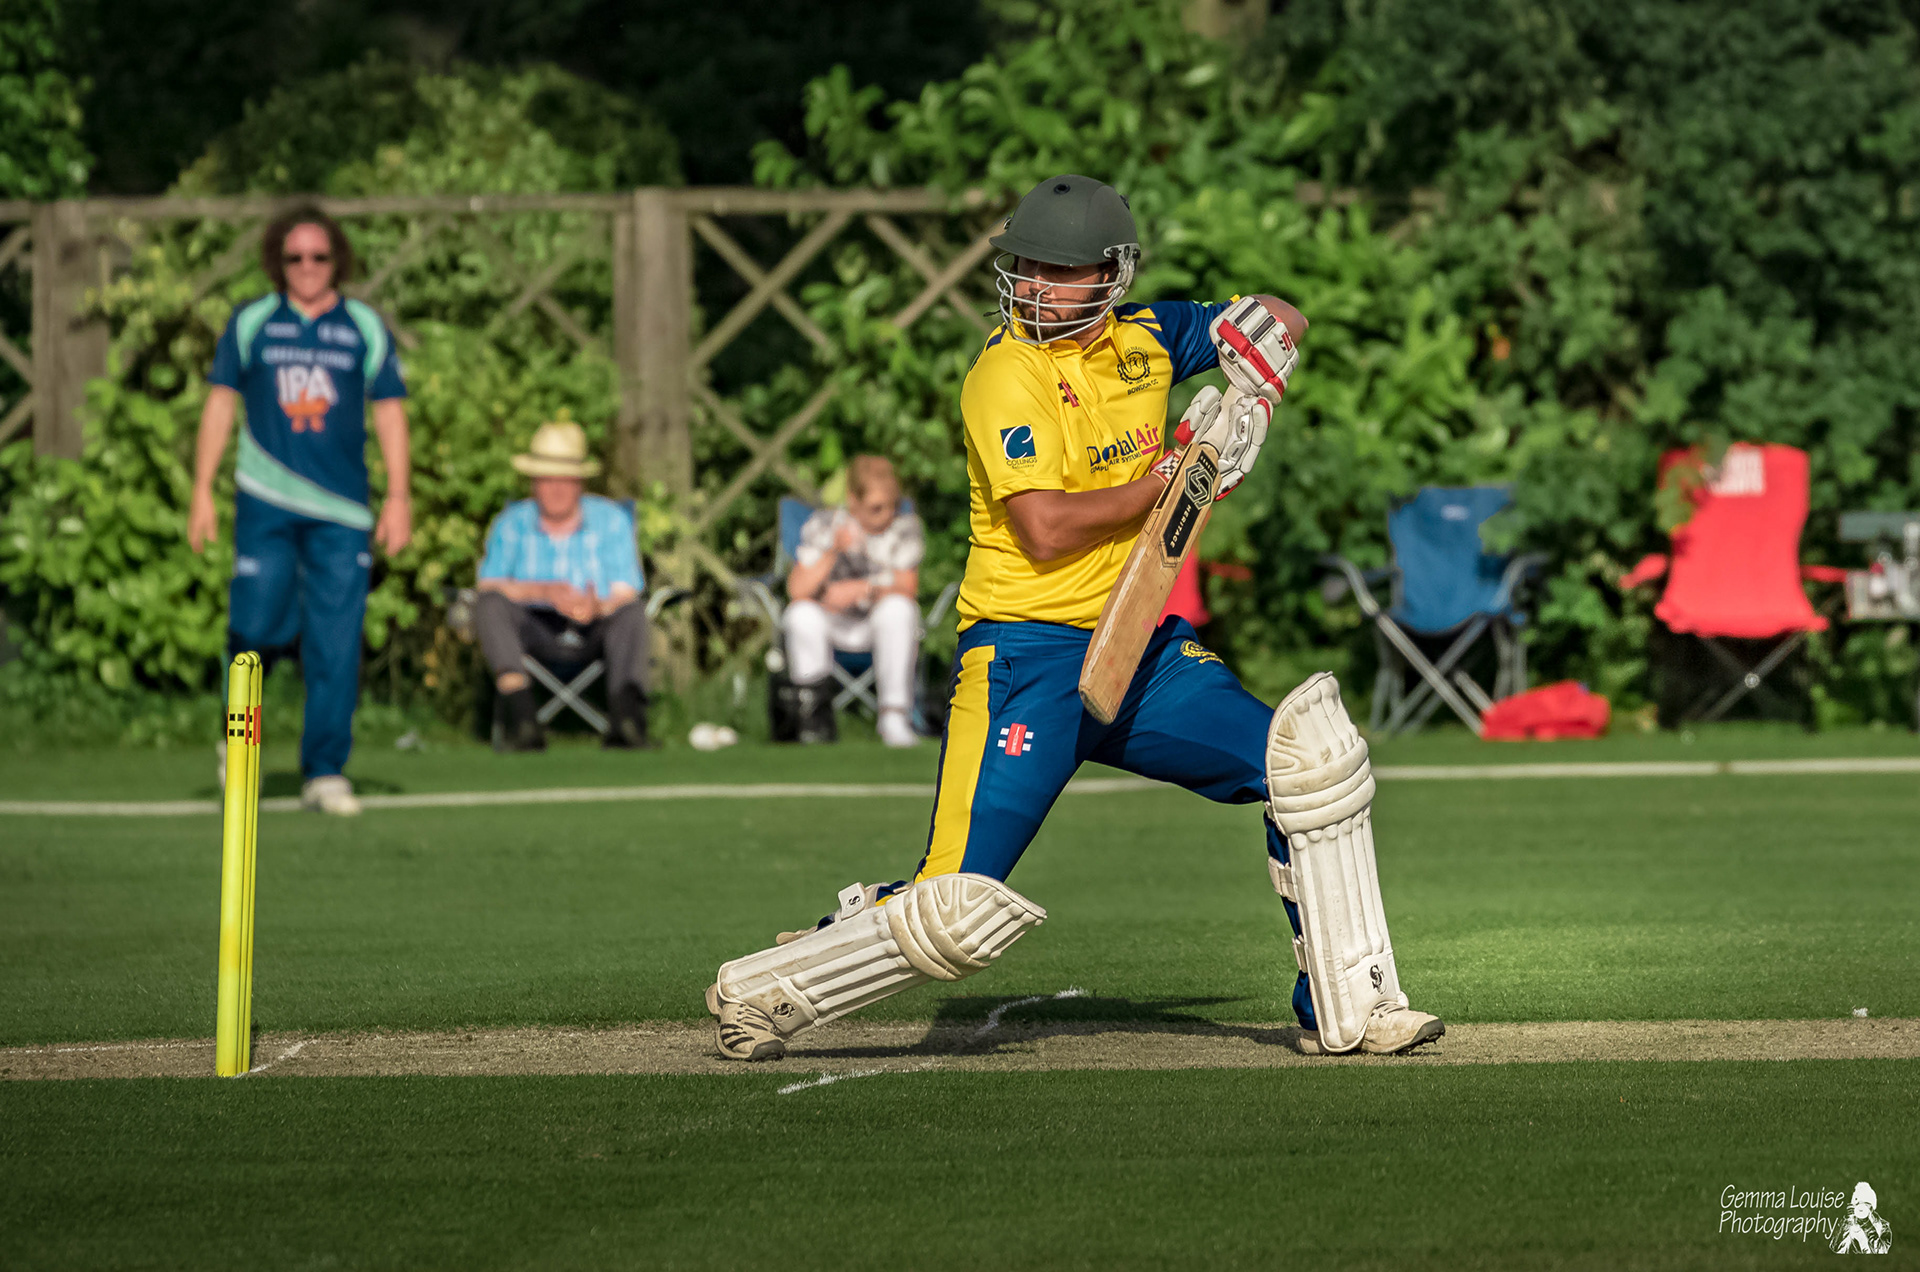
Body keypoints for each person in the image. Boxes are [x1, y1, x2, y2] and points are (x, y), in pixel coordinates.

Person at [706, 174, 1443, 1061]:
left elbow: (1280, 317)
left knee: (1310, 768)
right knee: (956, 909)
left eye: (1060, 270)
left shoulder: (1149, 337)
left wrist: (1261, 367)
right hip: (1025, 657)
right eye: (1026, 264)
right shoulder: (1002, 375)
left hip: (1141, 653)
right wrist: (1176, 478)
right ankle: (765, 986)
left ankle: (1351, 1004)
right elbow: (1045, 528)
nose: (1035, 284)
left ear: (1112, 274)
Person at [189, 206, 410, 817]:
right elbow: (220, 402)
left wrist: (399, 497)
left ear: (336, 260)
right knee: (253, 630)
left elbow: (390, 410)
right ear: (277, 262)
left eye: (319, 256)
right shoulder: (253, 322)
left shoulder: (362, 326)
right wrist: (202, 489)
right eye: (295, 257)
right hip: (266, 503)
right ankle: (240, 747)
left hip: (344, 513)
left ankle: (325, 771)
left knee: (335, 645)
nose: (307, 267)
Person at [475, 421, 654, 751]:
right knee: (489, 606)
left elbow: (627, 588)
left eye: (566, 480)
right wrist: (544, 592)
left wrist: (597, 607)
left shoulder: (611, 520)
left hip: (597, 626)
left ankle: (628, 719)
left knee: (632, 614)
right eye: (547, 479)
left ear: (580, 483)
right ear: (534, 483)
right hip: (533, 627)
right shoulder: (511, 523)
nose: (556, 489)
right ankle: (521, 717)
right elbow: (489, 582)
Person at [783, 456, 925, 748]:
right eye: (876, 508)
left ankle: (894, 716)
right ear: (852, 501)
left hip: (876, 623)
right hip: (831, 620)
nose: (886, 515)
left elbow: (908, 585)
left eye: (892, 506)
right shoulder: (825, 525)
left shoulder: (903, 527)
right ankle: (813, 716)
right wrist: (834, 550)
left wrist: (863, 588)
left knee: (900, 609)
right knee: (800, 614)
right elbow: (797, 588)